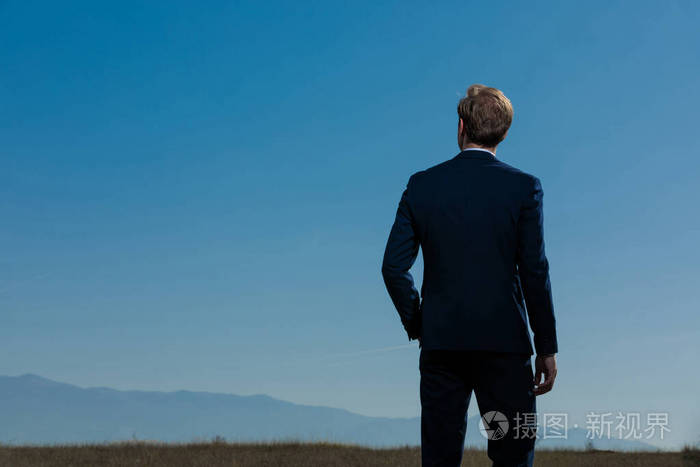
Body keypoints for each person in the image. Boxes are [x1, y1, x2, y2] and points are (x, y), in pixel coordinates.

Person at [381, 84, 558, 467]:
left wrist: (420, 321)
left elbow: (393, 267)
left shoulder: (421, 185)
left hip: (442, 344)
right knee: (513, 456)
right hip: (506, 345)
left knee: (440, 460)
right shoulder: (525, 188)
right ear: (505, 133)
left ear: (460, 127)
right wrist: (546, 346)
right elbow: (534, 271)